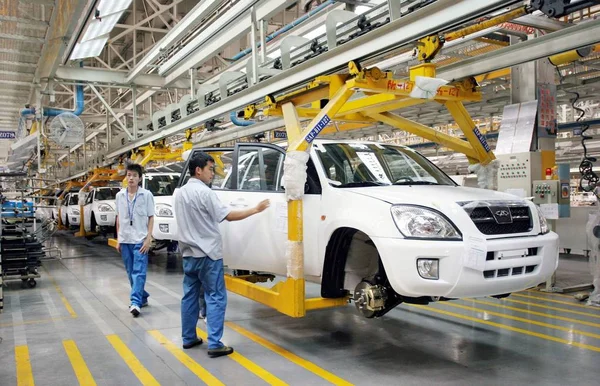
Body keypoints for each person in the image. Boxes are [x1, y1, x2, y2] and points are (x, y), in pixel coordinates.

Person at [174, 152, 269, 357]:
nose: (213, 174)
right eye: (210, 169)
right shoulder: (206, 193)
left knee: (190, 297)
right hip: (208, 255)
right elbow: (229, 216)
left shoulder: (179, 193)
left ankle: (188, 338)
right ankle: (215, 343)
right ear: (198, 170)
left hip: (189, 255)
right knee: (215, 297)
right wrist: (256, 209)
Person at [115, 163, 155, 317]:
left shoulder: (146, 195)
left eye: (134, 176)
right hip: (125, 240)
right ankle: (142, 296)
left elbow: (151, 217)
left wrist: (148, 239)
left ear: (139, 179)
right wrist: (118, 238)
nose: (131, 178)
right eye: (129, 175)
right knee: (130, 272)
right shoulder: (120, 196)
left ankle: (135, 302)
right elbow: (119, 218)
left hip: (140, 239)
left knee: (138, 272)